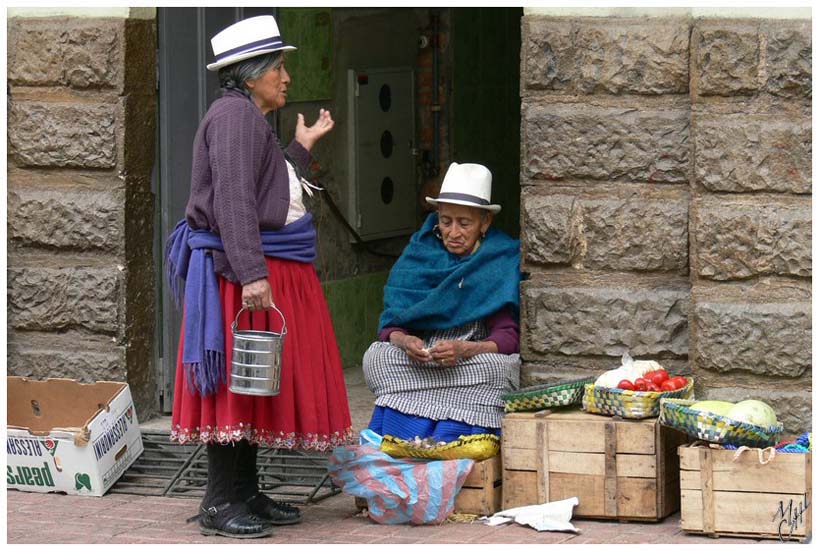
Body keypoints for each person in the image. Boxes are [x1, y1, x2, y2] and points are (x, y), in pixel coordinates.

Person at [165, 15, 353, 539]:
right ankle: (220, 502)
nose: (287, 77)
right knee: (235, 384)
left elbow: (267, 189)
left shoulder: (247, 118)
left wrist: (300, 147)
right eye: (279, 66)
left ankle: (244, 491)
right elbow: (233, 199)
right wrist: (251, 273)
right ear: (252, 75)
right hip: (236, 274)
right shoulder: (233, 118)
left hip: (249, 268)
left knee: (251, 383)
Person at [363, 162, 521, 443]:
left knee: (501, 369)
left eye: (465, 223)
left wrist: (467, 349)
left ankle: (450, 429)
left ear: (485, 222)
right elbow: (391, 327)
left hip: (468, 362)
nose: (454, 232)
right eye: (446, 221)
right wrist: (406, 342)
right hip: (424, 361)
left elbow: (508, 337)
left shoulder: (498, 258)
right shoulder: (419, 253)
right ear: (437, 217)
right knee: (377, 358)